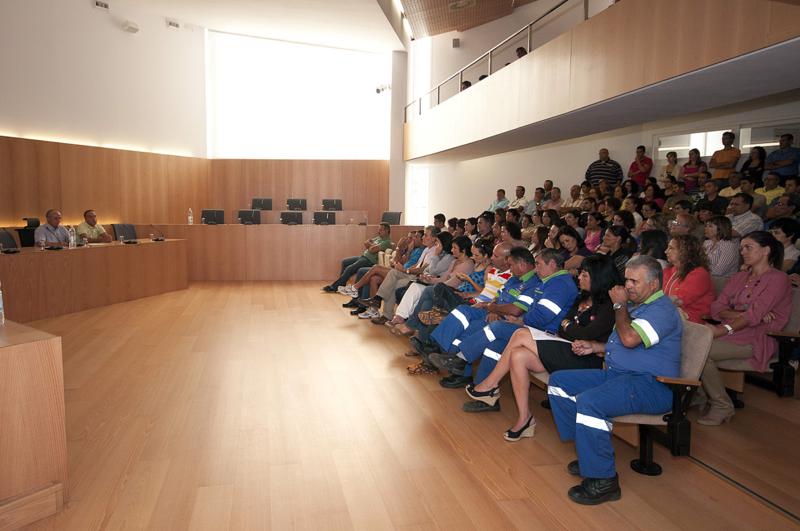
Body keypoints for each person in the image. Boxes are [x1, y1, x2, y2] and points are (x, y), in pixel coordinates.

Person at [548, 255, 683, 505]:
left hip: (651, 385)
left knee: (590, 402)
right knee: (559, 382)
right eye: (626, 280)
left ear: (654, 285)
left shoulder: (662, 310)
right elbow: (623, 342)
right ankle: (588, 452)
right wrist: (595, 346)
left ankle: (604, 481)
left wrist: (619, 306)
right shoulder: (636, 306)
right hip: (619, 376)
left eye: (634, 281)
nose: (627, 286)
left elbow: (630, 339)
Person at [466, 255, 620, 441]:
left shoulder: (610, 306)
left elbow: (585, 334)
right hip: (567, 348)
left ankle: (489, 386)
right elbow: (568, 330)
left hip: (587, 358)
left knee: (520, 334)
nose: (579, 278)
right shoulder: (581, 297)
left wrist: (567, 326)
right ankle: (525, 419)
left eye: (585, 275)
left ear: (599, 277)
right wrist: (568, 328)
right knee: (518, 355)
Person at [430, 248, 578, 395]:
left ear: (552, 264)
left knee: (497, 328)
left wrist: (521, 319)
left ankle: (460, 359)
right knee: (495, 344)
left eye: (538, 264)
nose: (536, 268)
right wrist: (503, 312)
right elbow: (533, 309)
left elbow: (543, 315)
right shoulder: (550, 281)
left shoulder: (559, 284)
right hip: (530, 329)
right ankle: (484, 391)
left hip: (541, 334)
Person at [699, 232, 792, 425]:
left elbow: (754, 316)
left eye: (748, 247)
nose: (743, 252)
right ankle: (700, 395)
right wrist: (742, 314)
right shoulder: (740, 276)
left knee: (700, 352)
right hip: (736, 331)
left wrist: (727, 326)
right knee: (692, 348)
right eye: (741, 248)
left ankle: (721, 405)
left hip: (759, 337)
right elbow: (717, 308)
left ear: (766, 250)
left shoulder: (778, 279)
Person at [323, 223, 392, 292]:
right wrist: (372, 245)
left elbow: (372, 249)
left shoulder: (387, 242)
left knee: (349, 268)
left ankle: (334, 287)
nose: (378, 231)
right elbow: (366, 242)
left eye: (380, 230)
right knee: (345, 262)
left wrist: (370, 246)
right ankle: (341, 285)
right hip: (364, 257)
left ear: (387, 231)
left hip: (369, 260)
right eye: (378, 229)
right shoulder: (379, 238)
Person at [663, 235, 714, 323]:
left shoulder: (699, 274)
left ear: (685, 251)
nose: (666, 251)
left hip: (692, 320)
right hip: (673, 315)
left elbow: (678, 301)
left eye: (671, 248)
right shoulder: (669, 270)